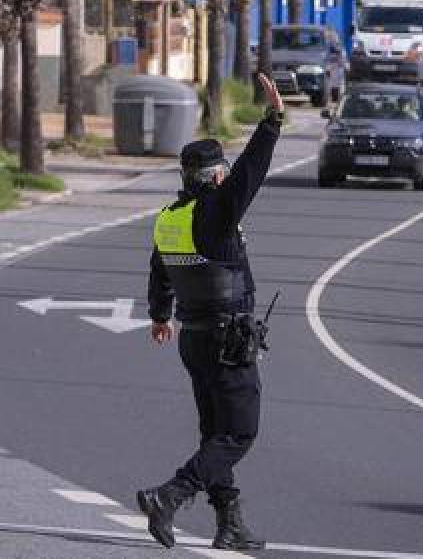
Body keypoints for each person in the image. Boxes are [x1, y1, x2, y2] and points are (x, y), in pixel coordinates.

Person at [137, 74, 285, 551]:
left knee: (214, 434)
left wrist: (160, 316)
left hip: (193, 340)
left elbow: (160, 274)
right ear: (217, 176)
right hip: (227, 341)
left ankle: (230, 524)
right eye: (224, 175)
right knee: (240, 432)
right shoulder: (217, 215)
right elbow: (251, 175)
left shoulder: (171, 220)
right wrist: (272, 122)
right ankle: (170, 495)